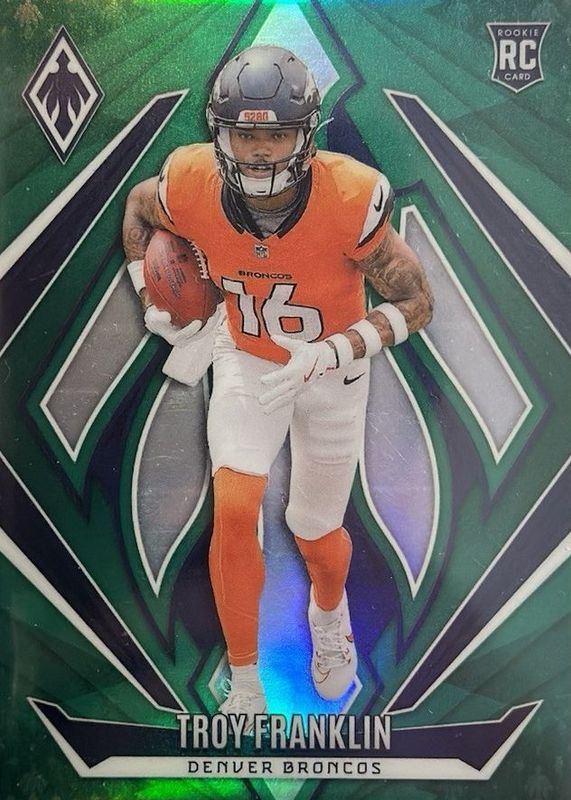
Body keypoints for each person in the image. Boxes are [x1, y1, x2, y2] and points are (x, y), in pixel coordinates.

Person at [122, 45, 433, 730]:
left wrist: (335, 349)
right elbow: (139, 212)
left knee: (314, 529)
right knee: (235, 504)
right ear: (219, 133)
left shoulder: (349, 196)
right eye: (244, 134)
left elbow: (416, 301)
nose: (260, 151)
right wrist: (150, 291)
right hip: (248, 356)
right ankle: (244, 681)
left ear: (307, 134)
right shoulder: (189, 182)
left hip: (332, 371)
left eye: (278, 134)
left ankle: (328, 613)